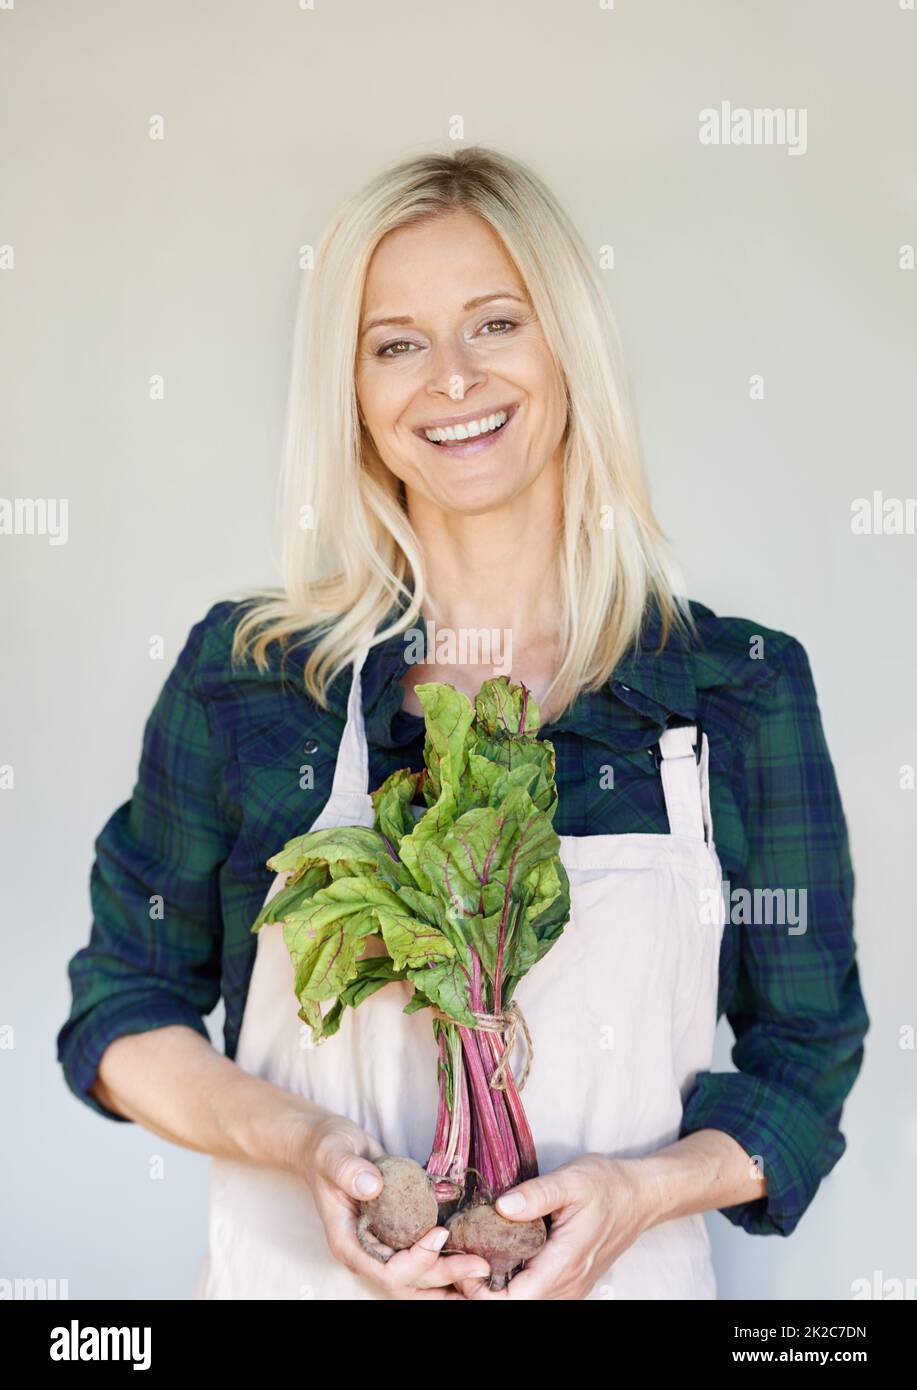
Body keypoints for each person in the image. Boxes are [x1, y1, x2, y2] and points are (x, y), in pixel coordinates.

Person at [57, 146, 869, 1300]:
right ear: (353, 394)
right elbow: (123, 1009)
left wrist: (639, 1193)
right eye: (394, 343)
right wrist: (305, 1145)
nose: (449, 378)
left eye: (494, 323)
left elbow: (803, 1062)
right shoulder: (249, 679)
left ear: (567, 348)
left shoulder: (733, 688)